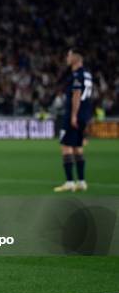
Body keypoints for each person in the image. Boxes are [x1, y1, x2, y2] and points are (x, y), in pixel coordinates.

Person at [54, 48, 93, 192]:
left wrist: (73, 115)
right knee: (78, 148)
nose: (67, 58)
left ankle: (70, 182)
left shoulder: (76, 75)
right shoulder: (87, 74)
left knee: (65, 146)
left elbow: (77, 94)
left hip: (74, 114)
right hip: (84, 114)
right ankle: (81, 181)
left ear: (76, 57)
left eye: (69, 55)